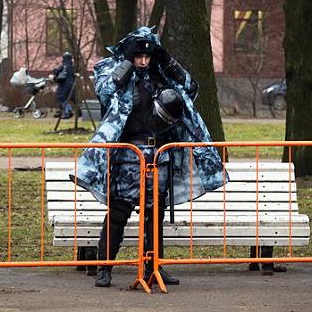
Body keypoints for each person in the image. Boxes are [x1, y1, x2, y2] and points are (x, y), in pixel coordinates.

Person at [72, 26, 228, 288]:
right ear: (131, 55)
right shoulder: (113, 72)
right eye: (139, 56)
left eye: (148, 56)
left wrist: (167, 61)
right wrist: (125, 64)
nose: (144, 61)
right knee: (118, 212)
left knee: (155, 215)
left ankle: (153, 266)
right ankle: (104, 268)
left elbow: (191, 88)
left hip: (158, 155)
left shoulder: (161, 75)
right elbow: (105, 91)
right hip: (128, 155)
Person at [52, 52, 75, 119]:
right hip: (72, 85)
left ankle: (67, 112)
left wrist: (54, 71)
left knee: (62, 98)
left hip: (64, 85)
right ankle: (69, 110)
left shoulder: (63, 66)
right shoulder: (72, 67)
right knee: (67, 98)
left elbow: (56, 72)